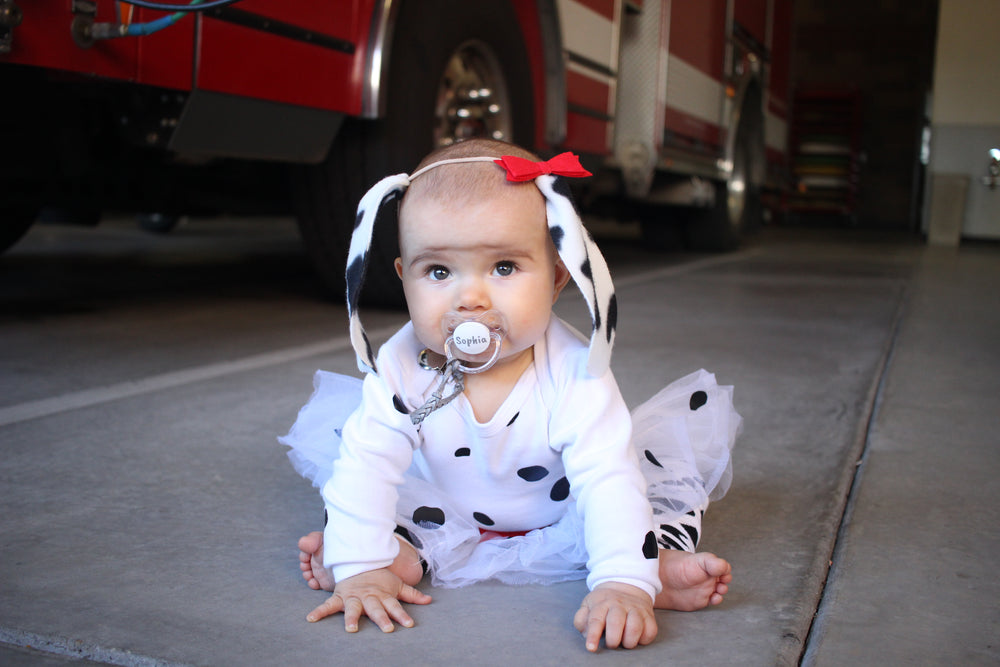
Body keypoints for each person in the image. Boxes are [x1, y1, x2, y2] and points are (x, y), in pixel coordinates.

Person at [280, 138, 740, 652]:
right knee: (360, 491)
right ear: (402, 278)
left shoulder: (574, 371)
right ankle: (383, 561)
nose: (470, 298)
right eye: (438, 271)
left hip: (560, 509)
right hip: (445, 505)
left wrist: (622, 582)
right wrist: (358, 567)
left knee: (638, 497)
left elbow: (605, 477)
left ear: (558, 277)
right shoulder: (401, 364)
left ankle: (648, 569)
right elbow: (368, 466)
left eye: (503, 267)